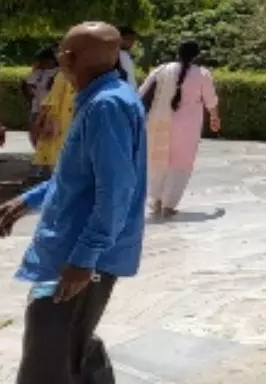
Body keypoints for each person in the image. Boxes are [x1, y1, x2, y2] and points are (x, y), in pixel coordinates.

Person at [0, 22, 147, 383]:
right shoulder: (104, 97)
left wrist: (84, 259)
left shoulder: (107, 105)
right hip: (76, 248)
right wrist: (27, 200)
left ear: (69, 58)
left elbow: (115, 190)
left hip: (82, 254)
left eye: (62, 50)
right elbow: (77, 177)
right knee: (71, 342)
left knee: (49, 348)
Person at [139, 40, 221, 218]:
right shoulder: (202, 74)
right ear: (196, 55)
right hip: (188, 127)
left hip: (159, 122)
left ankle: (156, 200)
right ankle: (169, 204)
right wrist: (215, 117)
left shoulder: (161, 70)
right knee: (180, 163)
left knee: (158, 160)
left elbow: (142, 93)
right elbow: (211, 100)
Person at [31, 67, 77, 176]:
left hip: (63, 123)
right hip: (65, 123)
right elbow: (52, 100)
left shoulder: (65, 75)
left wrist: (40, 122)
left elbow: (51, 101)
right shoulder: (66, 75)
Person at [22, 48, 58, 150]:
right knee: (34, 129)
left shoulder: (58, 73)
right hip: (36, 106)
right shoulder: (38, 73)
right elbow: (27, 84)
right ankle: (37, 149)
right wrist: (31, 95)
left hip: (50, 106)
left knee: (48, 130)